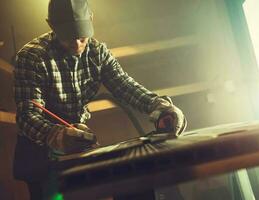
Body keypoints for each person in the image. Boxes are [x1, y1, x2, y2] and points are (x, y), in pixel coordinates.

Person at [13, 0, 186, 199]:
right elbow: (27, 115)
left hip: (77, 146)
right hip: (40, 152)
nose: (77, 43)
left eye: (81, 35)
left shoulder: (97, 52)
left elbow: (124, 86)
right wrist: (56, 135)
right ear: (50, 24)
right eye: (68, 36)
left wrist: (160, 107)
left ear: (91, 19)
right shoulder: (31, 57)